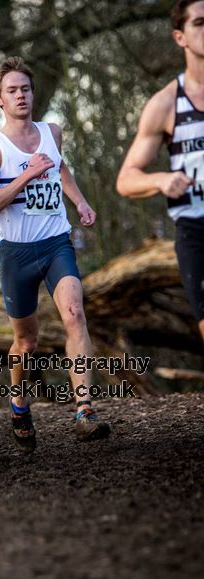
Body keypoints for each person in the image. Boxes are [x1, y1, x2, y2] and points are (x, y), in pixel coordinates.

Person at [0, 56, 111, 452]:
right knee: (26, 343)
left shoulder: (52, 131)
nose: (21, 96)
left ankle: (85, 410)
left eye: (26, 89)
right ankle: (19, 404)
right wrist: (26, 175)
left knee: (75, 314)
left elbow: (61, 168)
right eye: (12, 91)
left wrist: (81, 202)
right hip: (16, 252)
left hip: (56, 242)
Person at [117, 0, 204, 341]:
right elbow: (126, 179)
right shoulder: (166, 104)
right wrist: (161, 179)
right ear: (180, 37)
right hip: (195, 226)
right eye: (200, 23)